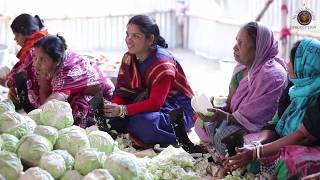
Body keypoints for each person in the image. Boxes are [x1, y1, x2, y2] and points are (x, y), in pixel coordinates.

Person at [224, 38, 320, 179]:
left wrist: (257, 152)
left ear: (304, 66)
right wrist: (258, 145)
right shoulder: (293, 88)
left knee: (287, 165)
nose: (287, 64)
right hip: (288, 142)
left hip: (311, 147)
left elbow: (303, 136)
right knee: (247, 150)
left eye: (291, 61)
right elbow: (274, 124)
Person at [194, 22, 287, 156]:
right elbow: (231, 104)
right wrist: (216, 108)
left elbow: (260, 118)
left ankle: (221, 148)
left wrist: (224, 116)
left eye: (241, 43)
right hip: (235, 119)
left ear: (258, 48)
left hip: (258, 129)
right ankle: (220, 147)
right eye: (236, 41)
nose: (235, 47)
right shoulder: (241, 69)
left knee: (226, 139)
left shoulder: (272, 76)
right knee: (200, 122)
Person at [103, 14, 194, 147]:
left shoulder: (163, 64)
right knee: (109, 117)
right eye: (127, 34)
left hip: (176, 109)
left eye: (136, 36)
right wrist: (114, 109)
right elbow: (122, 90)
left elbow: (154, 104)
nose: (129, 40)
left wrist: (122, 110)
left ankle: (177, 134)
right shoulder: (129, 57)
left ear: (150, 39)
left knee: (143, 123)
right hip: (146, 102)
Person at [34, 35, 114, 128]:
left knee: (75, 107)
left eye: (42, 59)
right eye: (36, 58)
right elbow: (44, 90)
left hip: (103, 100)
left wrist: (32, 119)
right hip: (85, 93)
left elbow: (54, 100)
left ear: (57, 60)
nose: (36, 64)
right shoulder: (61, 59)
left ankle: (98, 127)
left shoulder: (68, 73)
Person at [0, 13, 48, 111]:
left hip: (47, 95)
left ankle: (30, 109)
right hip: (48, 92)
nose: (15, 39)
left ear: (25, 32)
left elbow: (23, 73)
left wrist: (7, 82)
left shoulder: (35, 48)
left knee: (18, 77)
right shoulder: (41, 40)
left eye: (16, 35)